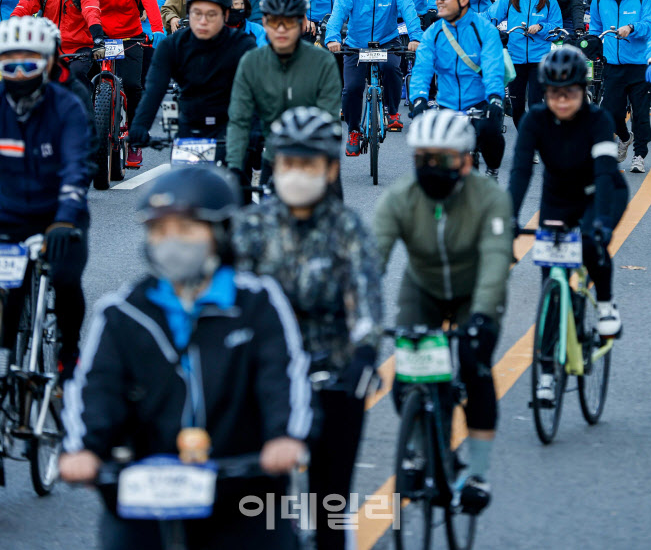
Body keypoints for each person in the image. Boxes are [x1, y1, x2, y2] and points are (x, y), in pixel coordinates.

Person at [59, 165, 312, 550]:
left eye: (187, 229)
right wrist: (83, 450)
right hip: (145, 497)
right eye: (159, 230)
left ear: (221, 233)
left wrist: (285, 437)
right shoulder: (123, 312)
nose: (171, 242)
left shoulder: (258, 302)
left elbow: (284, 378)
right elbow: (97, 388)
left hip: (243, 488)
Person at [233, 107, 382, 550]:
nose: (298, 173)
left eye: (309, 163)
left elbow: (366, 299)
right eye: (289, 163)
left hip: (332, 372)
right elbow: (229, 300)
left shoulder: (347, 228)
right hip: (265, 376)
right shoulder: (253, 227)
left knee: (329, 507)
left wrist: (364, 356)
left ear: (330, 168)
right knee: (255, 510)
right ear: (274, 166)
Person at [375, 109, 512, 515]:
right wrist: (356, 312)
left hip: (474, 292)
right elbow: (372, 260)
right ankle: (422, 449)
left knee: (475, 365)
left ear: (467, 160)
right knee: (406, 379)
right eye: (423, 159)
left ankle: (479, 474)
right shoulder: (400, 198)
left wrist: (484, 315)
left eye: (444, 158)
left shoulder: (490, 198)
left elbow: (495, 260)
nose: (433, 167)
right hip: (423, 288)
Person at [509, 47, 627, 401]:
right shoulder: (535, 120)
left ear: (583, 91)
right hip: (558, 197)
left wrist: (603, 223)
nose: (562, 101)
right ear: (545, 93)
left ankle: (605, 305)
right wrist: (510, 218)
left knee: (592, 243)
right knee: (550, 280)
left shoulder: (598, 120)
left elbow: (606, 174)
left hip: (599, 192)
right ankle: (546, 373)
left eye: (570, 93)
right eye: (554, 94)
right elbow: (520, 171)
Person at [0, 16, 91, 381]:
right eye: (9, 63)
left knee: (65, 280)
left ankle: (69, 353)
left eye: (29, 62)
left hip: (61, 216)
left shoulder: (68, 106)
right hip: (10, 216)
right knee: (3, 296)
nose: (18, 72)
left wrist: (64, 220)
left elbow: (77, 168)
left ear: (47, 62)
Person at [227, 0, 341, 184]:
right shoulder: (251, 62)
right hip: (271, 157)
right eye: (273, 22)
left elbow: (329, 120)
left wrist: (326, 166)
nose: (280, 29)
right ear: (264, 22)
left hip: (314, 159)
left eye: (288, 22)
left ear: (302, 22)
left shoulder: (323, 61)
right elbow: (239, 120)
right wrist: (234, 167)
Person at [129, 0, 255, 152]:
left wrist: (257, 131)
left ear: (225, 15)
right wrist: (139, 126)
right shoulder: (171, 46)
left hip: (232, 127)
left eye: (211, 14)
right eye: (197, 13)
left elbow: (255, 94)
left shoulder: (243, 46)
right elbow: (154, 90)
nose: (203, 21)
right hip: (189, 125)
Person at [325, 0, 422, 151]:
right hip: (356, 45)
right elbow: (338, 13)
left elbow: (409, 12)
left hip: (387, 42)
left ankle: (393, 111)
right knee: (352, 88)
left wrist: (415, 38)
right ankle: (353, 132)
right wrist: (332, 38)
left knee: (391, 69)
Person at [84, 0, 165, 168]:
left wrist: (158, 29)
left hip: (129, 37)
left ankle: (136, 139)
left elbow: (149, 0)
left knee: (132, 85)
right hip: (98, 38)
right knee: (84, 85)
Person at [409, 0, 506, 176]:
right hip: (447, 106)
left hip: (480, 104)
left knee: (491, 133)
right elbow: (422, 70)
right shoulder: (433, 33)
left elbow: (492, 69)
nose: (438, 1)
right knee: (433, 162)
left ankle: (492, 172)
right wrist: (418, 99)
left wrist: (495, 99)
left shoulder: (485, 30)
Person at [589, 0, 651, 173]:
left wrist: (631, 27)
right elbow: (595, 31)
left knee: (641, 113)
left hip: (638, 64)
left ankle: (639, 155)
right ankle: (624, 138)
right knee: (611, 112)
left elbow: (648, 24)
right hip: (612, 65)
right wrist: (591, 46)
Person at [487, 0, 562, 127]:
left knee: (536, 105)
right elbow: (490, 17)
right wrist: (491, 31)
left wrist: (541, 27)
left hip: (539, 61)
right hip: (515, 60)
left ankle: (535, 144)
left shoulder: (549, 0)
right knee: (517, 107)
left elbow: (557, 29)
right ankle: (526, 141)